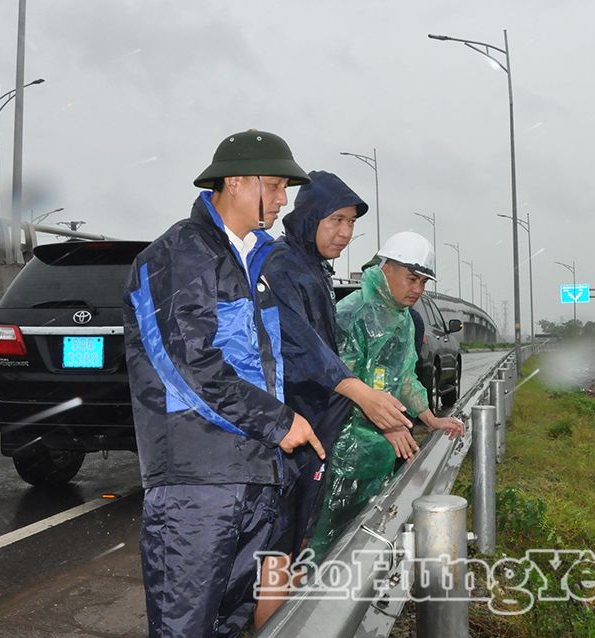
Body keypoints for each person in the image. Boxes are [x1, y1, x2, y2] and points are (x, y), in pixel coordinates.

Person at [123, 129, 325, 638]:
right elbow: (187, 365)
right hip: (197, 483)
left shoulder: (252, 262)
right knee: (185, 625)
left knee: (231, 621)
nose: (283, 200)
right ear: (236, 182)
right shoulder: (180, 254)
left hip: (252, 474)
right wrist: (279, 422)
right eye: (276, 186)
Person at [253, 172, 416, 628]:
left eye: (351, 224)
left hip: (312, 424)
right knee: (280, 545)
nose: (345, 233)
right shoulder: (283, 266)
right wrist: (359, 392)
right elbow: (298, 343)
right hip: (288, 425)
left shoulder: (311, 268)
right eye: (337, 220)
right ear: (309, 217)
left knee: (294, 537)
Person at [306, 231, 464, 556]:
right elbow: (342, 384)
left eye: (424, 282)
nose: (418, 289)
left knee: (363, 531)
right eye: (412, 279)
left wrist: (431, 418)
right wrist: (386, 424)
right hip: (340, 447)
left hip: (374, 449)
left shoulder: (403, 319)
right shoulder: (353, 313)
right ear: (387, 267)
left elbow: (403, 377)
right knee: (326, 538)